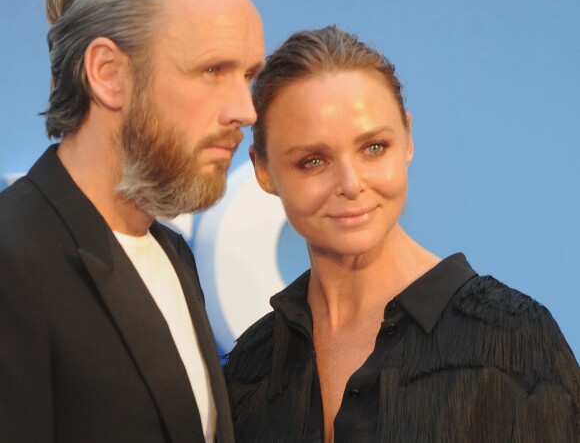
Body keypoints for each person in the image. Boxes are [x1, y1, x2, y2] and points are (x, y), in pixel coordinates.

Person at [224, 26, 580, 442]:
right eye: (313, 160)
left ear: (407, 138)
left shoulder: (513, 341)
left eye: (373, 147)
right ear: (263, 170)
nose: (351, 183)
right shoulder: (252, 364)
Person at [0, 0, 264, 443]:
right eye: (213, 70)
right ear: (108, 73)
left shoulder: (171, 252)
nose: (245, 111)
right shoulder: (10, 258)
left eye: (248, 76)